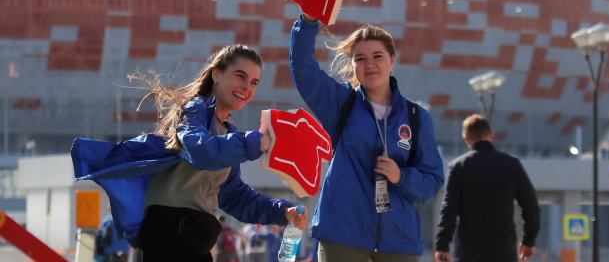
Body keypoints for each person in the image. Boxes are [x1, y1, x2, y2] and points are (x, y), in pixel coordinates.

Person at [72, 44, 307, 262]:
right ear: (216, 75)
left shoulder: (228, 133)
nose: (247, 87)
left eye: (255, 82)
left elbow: (235, 197)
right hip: (165, 238)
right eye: (240, 76)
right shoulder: (195, 110)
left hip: (194, 242)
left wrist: (282, 211)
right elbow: (200, 150)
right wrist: (254, 142)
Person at [289, 14, 445, 262]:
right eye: (359, 58)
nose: (369, 64)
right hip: (343, 233)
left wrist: (401, 176)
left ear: (392, 60)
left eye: (377, 56)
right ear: (351, 65)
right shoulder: (341, 103)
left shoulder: (416, 117)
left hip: (398, 239)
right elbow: (302, 69)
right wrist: (308, 22)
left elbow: (433, 181)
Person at [434, 114, 540, 262]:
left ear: (467, 139)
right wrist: (529, 241)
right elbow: (531, 206)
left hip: (468, 252)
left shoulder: (459, 167)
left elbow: (449, 209)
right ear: (490, 135)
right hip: (504, 252)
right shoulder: (512, 165)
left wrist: (442, 245)